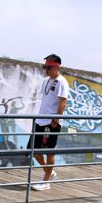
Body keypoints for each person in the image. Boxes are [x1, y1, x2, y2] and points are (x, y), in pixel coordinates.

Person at [29, 54, 69, 190]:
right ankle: (49, 172)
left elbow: (63, 102)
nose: (46, 70)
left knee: (49, 152)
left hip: (52, 122)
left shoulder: (62, 82)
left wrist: (55, 120)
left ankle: (46, 182)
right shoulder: (46, 81)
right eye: (45, 67)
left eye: (49, 67)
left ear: (57, 67)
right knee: (34, 149)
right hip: (40, 120)